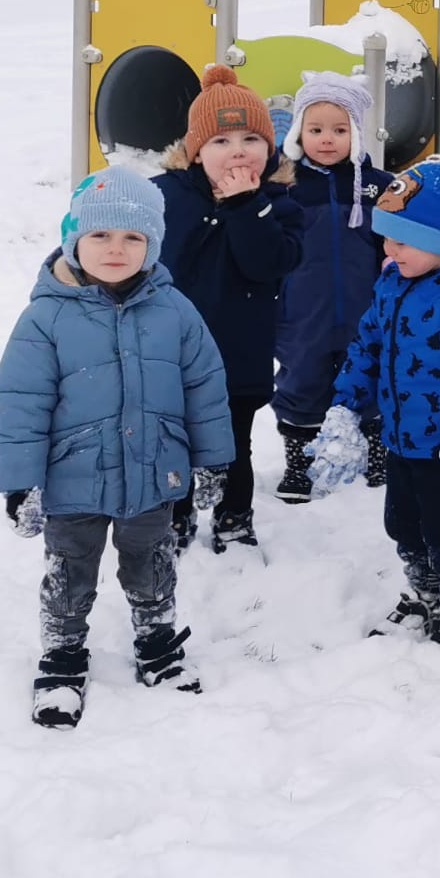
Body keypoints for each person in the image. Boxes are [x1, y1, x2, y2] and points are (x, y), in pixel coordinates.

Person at [0, 169, 233, 727]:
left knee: (152, 563)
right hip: (72, 479)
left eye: (133, 237)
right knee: (69, 570)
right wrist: (21, 482)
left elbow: (205, 390)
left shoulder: (176, 311)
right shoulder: (46, 317)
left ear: (153, 244)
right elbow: (21, 402)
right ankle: (62, 653)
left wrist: (212, 460)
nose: (116, 249)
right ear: (74, 240)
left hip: (153, 474)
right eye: (100, 235)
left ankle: (157, 640)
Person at [310, 156, 440, 652]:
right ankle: (425, 591)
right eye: (387, 238)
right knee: (402, 523)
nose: (389, 250)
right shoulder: (393, 283)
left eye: (402, 241)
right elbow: (367, 346)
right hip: (400, 434)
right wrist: (345, 408)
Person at [153, 65, 305, 552]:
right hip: (171, 353)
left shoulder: (280, 204)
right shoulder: (163, 196)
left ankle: (234, 517)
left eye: (250, 139)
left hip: (238, 354)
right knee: (172, 440)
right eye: (221, 141)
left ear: (270, 148)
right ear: (196, 152)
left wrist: (245, 206)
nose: (238, 150)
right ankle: (175, 518)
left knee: (234, 443)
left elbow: (269, 264)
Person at [271, 74, 387, 504]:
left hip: (365, 309)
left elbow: (395, 245)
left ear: (356, 133)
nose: (326, 139)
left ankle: (378, 451)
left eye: (340, 130)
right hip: (303, 311)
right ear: (298, 130)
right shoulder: (284, 185)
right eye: (315, 129)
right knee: (303, 379)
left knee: (372, 374)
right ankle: (300, 460)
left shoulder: (378, 185)